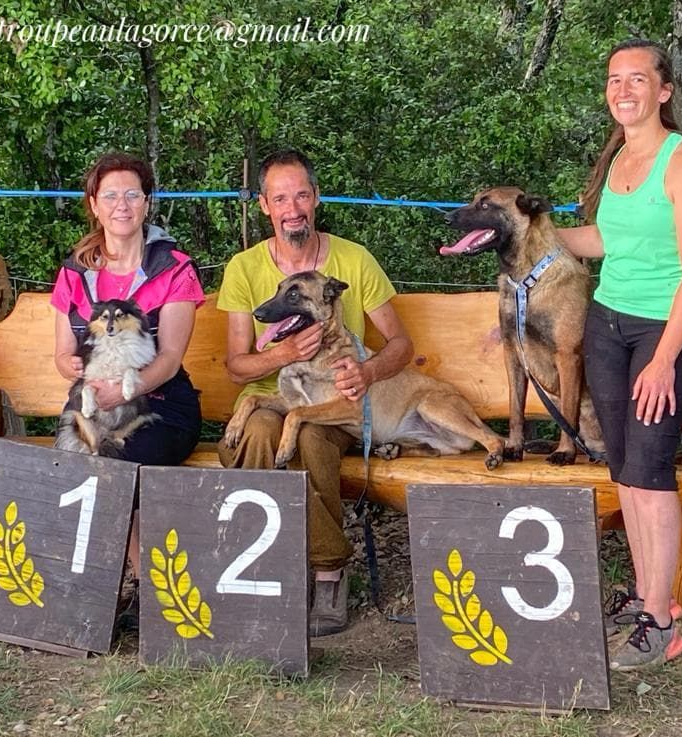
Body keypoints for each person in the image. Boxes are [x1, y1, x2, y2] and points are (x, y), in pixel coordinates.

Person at [556, 39, 682, 669]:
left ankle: (660, 625)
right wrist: (532, 234)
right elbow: (604, 239)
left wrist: (662, 359)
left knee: (651, 472)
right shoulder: (618, 157)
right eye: (614, 80)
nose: (623, 89)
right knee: (623, 469)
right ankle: (655, 598)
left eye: (637, 79)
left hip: (666, 331)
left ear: (664, 90)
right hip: (608, 323)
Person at [216, 149, 413, 637]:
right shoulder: (244, 268)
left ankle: (326, 574)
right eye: (280, 197)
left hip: (337, 403)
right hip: (274, 395)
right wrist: (283, 355)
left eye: (301, 194)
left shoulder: (353, 260)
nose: (293, 207)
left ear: (317, 197)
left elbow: (402, 345)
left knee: (307, 437)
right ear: (264, 205)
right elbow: (238, 366)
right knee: (264, 431)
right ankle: (274, 568)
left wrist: (368, 374)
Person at [51, 151, 205, 583]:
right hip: (91, 400)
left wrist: (125, 390)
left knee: (116, 461)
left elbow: (171, 359)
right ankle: (92, 581)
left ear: (147, 202)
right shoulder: (74, 274)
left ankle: (142, 584)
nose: (122, 204)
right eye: (111, 195)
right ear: (94, 204)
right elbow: (63, 355)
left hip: (157, 404)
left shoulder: (175, 268)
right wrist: (88, 379)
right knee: (68, 461)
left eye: (132, 194)